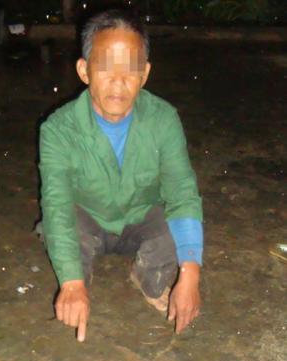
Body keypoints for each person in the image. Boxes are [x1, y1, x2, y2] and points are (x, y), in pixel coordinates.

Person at [38, 9, 203, 342]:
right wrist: (71, 284)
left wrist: (190, 277)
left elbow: (182, 193)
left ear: (144, 74)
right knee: (61, 232)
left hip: (143, 216)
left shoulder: (163, 119)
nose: (118, 82)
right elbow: (56, 204)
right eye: (105, 68)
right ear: (84, 70)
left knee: (178, 236)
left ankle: (147, 275)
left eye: (130, 70)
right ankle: (79, 277)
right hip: (87, 218)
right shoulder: (57, 129)